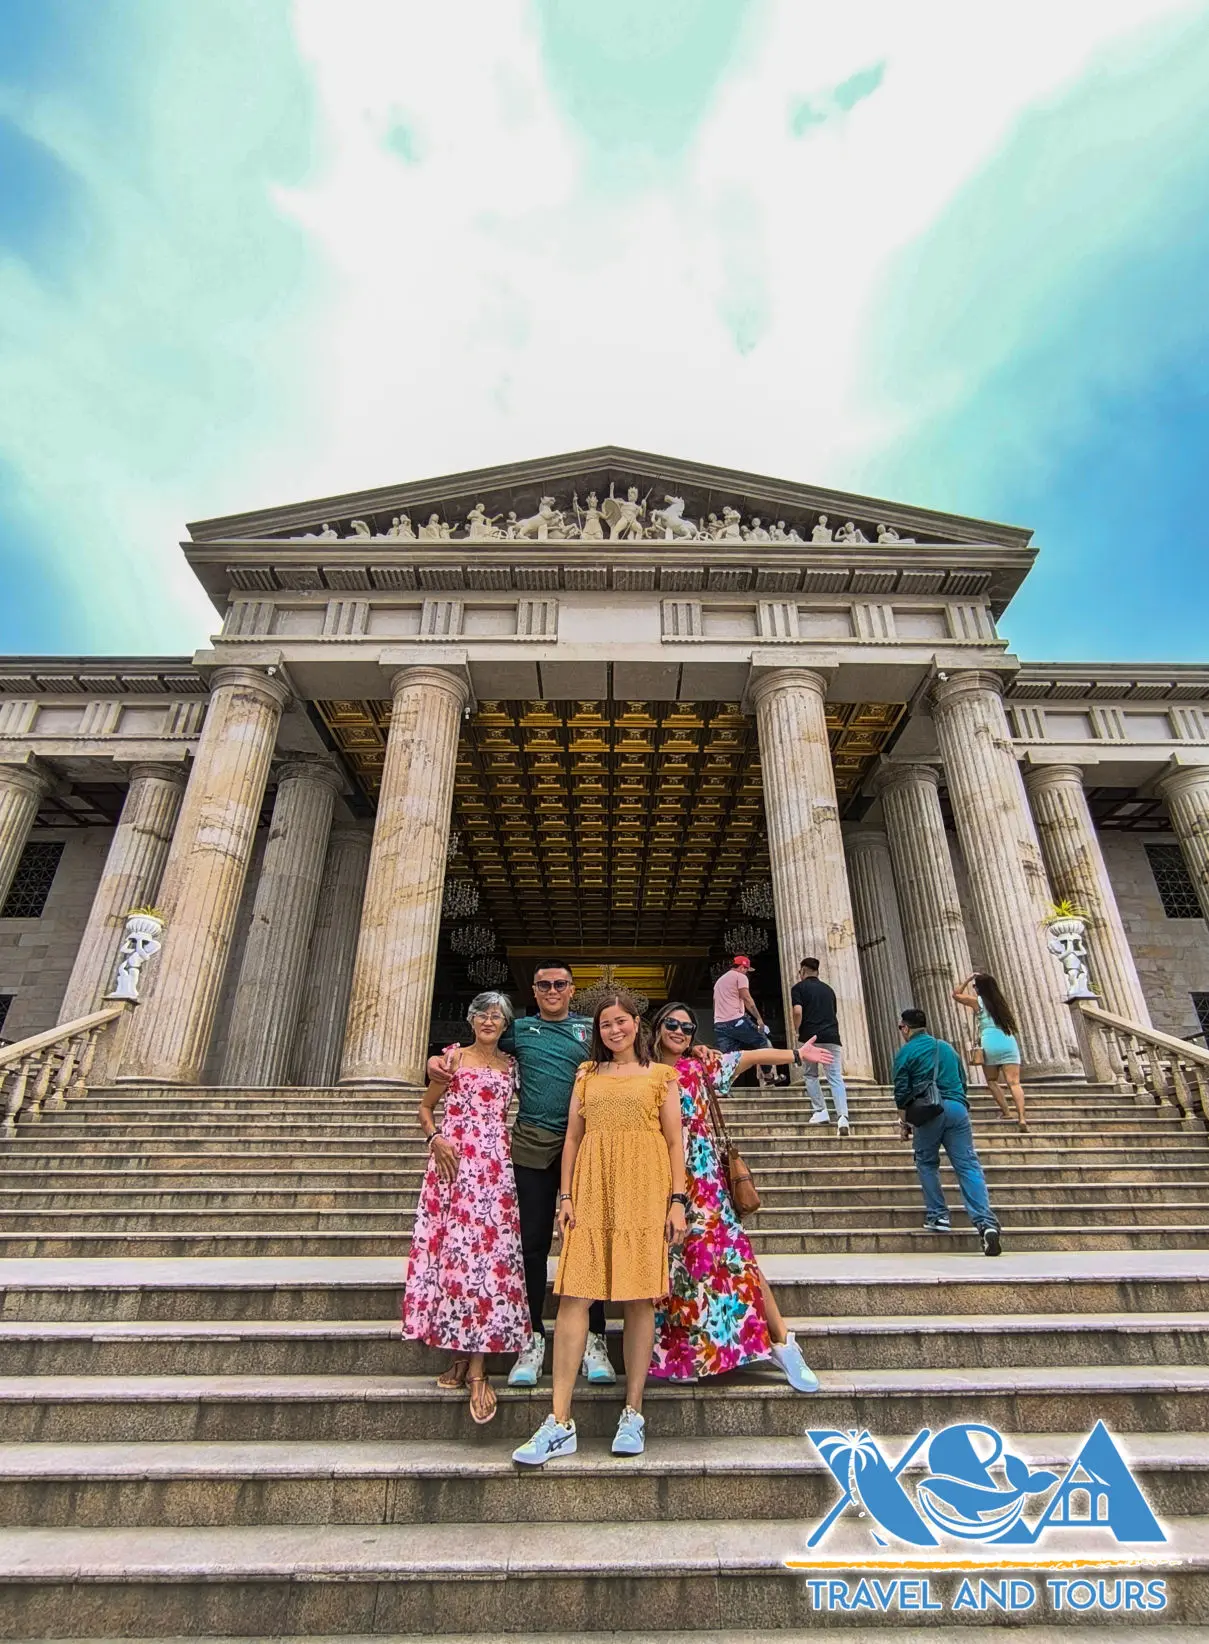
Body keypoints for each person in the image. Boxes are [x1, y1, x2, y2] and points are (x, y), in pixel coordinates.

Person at [512, 992, 688, 1466]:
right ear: (598, 1032)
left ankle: (633, 1410)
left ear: (637, 1025)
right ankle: (559, 1420)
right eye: (606, 1024)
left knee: (637, 1297)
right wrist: (565, 1196)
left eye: (622, 1022)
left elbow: (675, 1143)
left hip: (645, 1187)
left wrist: (677, 1201)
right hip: (592, 1186)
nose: (614, 1030)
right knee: (574, 1296)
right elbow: (572, 1138)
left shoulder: (661, 1076)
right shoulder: (586, 1075)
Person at [429, 960, 616, 1389]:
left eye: (560, 984)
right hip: (530, 1144)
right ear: (534, 991)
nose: (553, 990)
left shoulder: (591, 1030)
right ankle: (532, 1337)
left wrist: (698, 1047)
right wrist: (434, 1063)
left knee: (588, 1240)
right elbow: (479, 1047)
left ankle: (595, 1337)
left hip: (585, 1145)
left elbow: (633, 1054)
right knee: (529, 1245)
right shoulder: (520, 1031)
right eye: (544, 984)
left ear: (573, 989)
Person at [648, 1000, 830, 1390]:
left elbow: (749, 1056)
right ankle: (690, 1352)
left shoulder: (700, 1066)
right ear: (658, 1027)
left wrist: (797, 1053)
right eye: (672, 1024)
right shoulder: (643, 1071)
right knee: (678, 1267)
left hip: (703, 1174)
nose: (680, 1032)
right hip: (658, 1175)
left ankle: (782, 1342)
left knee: (734, 1256)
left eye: (688, 1028)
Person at [403, 992, 529, 1424]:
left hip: (494, 1166)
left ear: (505, 1024)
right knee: (452, 1258)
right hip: (452, 1163)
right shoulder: (451, 1060)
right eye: (482, 1015)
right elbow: (424, 1107)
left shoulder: (512, 1067)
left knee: (488, 1261)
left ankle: (476, 1367)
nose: (489, 1022)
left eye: (497, 1016)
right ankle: (459, 1354)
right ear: (471, 1020)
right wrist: (434, 1138)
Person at [893, 1007, 1002, 1257]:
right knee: (968, 1165)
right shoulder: (947, 1048)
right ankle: (985, 1223)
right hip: (957, 1108)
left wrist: (904, 1123)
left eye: (901, 1028)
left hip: (929, 1111)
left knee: (926, 1162)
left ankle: (938, 1215)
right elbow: (962, 1081)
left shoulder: (905, 1052)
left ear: (906, 1028)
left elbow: (901, 1092)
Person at [952, 970, 1027, 1130]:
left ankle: (1006, 1112)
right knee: (1014, 1083)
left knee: (992, 1081)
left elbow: (956, 995)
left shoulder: (978, 1002)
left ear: (979, 988)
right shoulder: (1000, 1003)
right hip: (1007, 1041)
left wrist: (968, 979)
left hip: (990, 1042)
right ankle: (1021, 1118)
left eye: (975, 986)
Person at [791, 957, 849, 1134]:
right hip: (832, 1036)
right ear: (817, 971)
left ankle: (820, 1110)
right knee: (835, 1077)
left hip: (810, 1037)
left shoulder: (798, 988)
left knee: (810, 1074)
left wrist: (796, 1029)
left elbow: (797, 1011)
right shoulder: (829, 990)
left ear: (802, 971)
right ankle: (843, 1117)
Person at [712, 954, 775, 1087]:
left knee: (729, 1058)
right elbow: (747, 998)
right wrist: (759, 1019)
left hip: (719, 1024)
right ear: (742, 967)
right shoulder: (740, 977)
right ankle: (768, 1075)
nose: (747, 972)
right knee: (762, 1041)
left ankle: (721, 1085)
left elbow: (715, 1003)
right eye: (746, 969)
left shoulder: (719, 982)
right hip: (736, 1020)